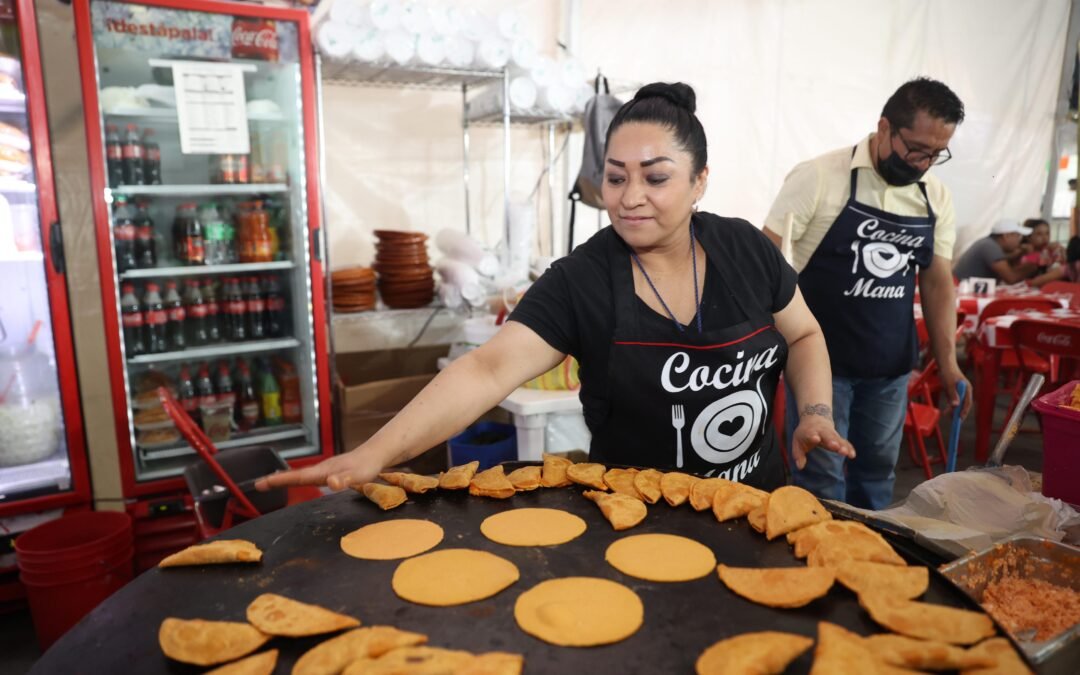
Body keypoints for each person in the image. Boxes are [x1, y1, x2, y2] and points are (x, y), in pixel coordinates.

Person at [258, 82, 853, 494]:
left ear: (700, 181)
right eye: (615, 178)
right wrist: (374, 454)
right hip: (634, 519)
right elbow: (485, 371)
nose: (630, 196)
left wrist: (816, 412)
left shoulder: (745, 249)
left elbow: (802, 333)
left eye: (656, 177)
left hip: (755, 504)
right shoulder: (583, 279)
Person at [763, 77, 971, 510]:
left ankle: (868, 567)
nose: (923, 163)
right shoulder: (819, 178)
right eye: (915, 148)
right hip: (821, 368)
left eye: (937, 154)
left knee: (877, 478)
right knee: (820, 483)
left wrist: (948, 363)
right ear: (884, 128)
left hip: (890, 369)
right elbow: (765, 266)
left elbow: (936, 283)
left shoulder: (936, 198)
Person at [952, 218, 1037, 283]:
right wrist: (1033, 263)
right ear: (1006, 236)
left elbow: (1004, 260)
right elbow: (1011, 278)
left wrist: (1019, 254)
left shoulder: (988, 243)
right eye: (1017, 235)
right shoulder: (989, 247)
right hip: (960, 292)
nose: (1019, 240)